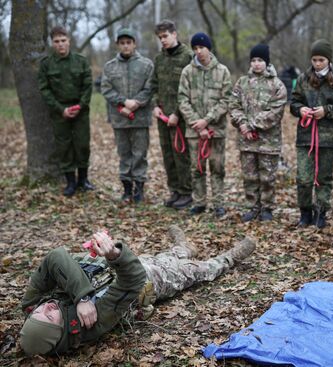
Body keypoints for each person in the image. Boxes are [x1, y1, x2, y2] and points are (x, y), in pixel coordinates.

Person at [18, 227, 256, 356]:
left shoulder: (35, 304)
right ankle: (228, 259)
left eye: (38, 311)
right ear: (60, 332)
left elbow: (56, 256)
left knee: (163, 258)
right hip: (144, 282)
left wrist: (82, 297)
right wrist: (113, 255)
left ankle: (182, 248)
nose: (47, 307)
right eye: (50, 317)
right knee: (195, 271)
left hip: (118, 268)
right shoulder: (92, 322)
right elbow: (132, 281)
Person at [289, 39, 333, 228]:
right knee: (303, 177)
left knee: (323, 178)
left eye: (321, 60)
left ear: (329, 60)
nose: (317, 64)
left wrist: (327, 110)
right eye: (314, 60)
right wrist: (300, 110)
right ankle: (305, 213)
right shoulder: (303, 78)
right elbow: (293, 102)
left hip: (328, 138)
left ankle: (321, 213)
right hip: (306, 136)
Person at [229, 44, 287, 222]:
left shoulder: (277, 85)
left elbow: (275, 112)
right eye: (253, 60)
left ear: (267, 62)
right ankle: (253, 207)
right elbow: (233, 105)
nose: (256, 64)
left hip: (268, 141)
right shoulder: (242, 82)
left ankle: (267, 208)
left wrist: (252, 124)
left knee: (267, 176)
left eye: (260, 60)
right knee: (250, 176)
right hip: (247, 140)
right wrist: (243, 124)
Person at [178, 32, 232, 217]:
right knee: (197, 168)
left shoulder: (222, 71)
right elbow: (182, 100)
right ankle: (199, 202)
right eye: (195, 48)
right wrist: (196, 123)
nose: (198, 51)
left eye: (202, 47)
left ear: (209, 48)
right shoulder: (187, 72)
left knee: (218, 168)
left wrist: (207, 120)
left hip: (216, 130)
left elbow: (226, 100)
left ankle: (218, 203)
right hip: (194, 132)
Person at [38, 26, 94, 197]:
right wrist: (61, 109)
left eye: (63, 40)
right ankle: (70, 182)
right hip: (59, 111)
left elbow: (88, 85)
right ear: (52, 43)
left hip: (80, 111)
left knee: (82, 144)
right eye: (56, 41)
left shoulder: (81, 61)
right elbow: (44, 89)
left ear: (69, 41)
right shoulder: (46, 64)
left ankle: (83, 180)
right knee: (64, 146)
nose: (60, 44)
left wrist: (80, 106)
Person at [101, 28, 154, 203]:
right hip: (120, 118)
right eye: (122, 43)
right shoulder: (110, 67)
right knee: (124, 154)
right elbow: (106, 89)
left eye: (128, 42)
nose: (125, 46)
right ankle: (126, 190)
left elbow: (150, 88)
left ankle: (139, 190)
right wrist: (123, 102)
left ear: (134, 44)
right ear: (118, 45)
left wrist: (136, 103)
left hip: (140, 118)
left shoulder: (146, 65)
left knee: (140, 154)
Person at [151, 20, 195, 210]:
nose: (163, 40)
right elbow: (154, 85)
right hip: (163, 116)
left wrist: (178, 113)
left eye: (166, 36)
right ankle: (175, 190)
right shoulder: (159, 59)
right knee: (167, 154)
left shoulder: (188, 57)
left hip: (181, 117)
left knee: (181, 154)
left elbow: (191, 89)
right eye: (160, 37)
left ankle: (187, 192)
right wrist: (155, 105)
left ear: (174, 34)